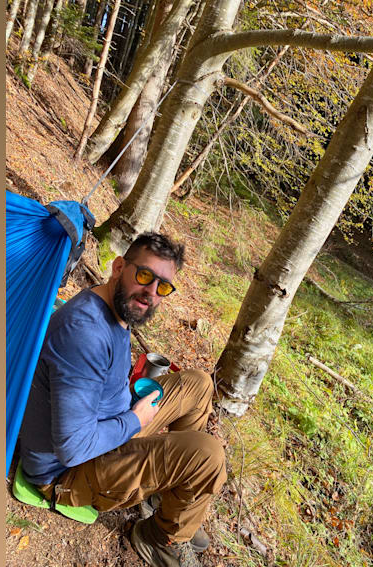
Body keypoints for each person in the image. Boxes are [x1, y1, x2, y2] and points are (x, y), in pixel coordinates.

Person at [17, 232, 226, 567]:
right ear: (118, 267)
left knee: (198, 384)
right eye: (144, 276)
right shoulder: (85, 333)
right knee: (207, 455)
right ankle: (160, 539)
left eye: (163, 286)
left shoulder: (116, 308)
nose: (151, 292)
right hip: (66, 473)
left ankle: (170, 502)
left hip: (105, 430)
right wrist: (135, 420)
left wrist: (131, 412)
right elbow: (72, 448)